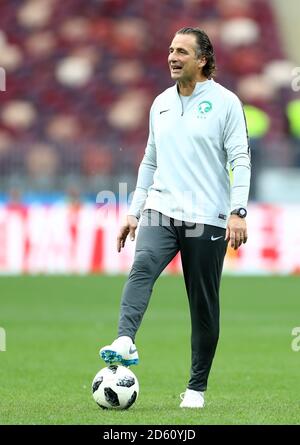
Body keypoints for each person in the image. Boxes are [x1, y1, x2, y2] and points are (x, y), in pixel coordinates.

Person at [100, 27, 251, 408]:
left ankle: (196, 388)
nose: (172, 57)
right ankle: (124, 339)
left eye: (182, 51)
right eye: (170, 50)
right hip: (161, 209)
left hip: (208, 216)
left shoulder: (226, 102)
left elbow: (240, 159)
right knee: (143, 265)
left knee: (202, 303)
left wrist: (238, 211)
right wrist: (134, 212)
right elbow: (150, 159)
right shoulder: (161, 103)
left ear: (203, 59)